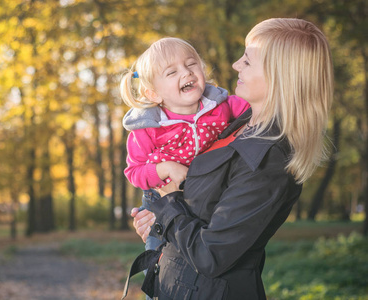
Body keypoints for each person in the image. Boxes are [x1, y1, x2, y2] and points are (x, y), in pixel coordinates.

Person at [125, 18, 333, 300]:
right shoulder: (234, 121)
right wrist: (157, 222)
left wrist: (169, 205)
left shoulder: (268, 159)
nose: (236, 65)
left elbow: (210, 255)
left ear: (278, 75)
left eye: (247, 61)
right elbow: (197, 209)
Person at [120, 37, 249, 255]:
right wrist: (166, 168)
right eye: (172, 72)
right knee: (162, 259)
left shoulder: (221, 105)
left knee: (200, 252)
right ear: (154, 94)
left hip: (204, 195)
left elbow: (258, 111)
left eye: (191, 64)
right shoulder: (147, 128)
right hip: (161, 200)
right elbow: (134, 172)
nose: (186, 73)